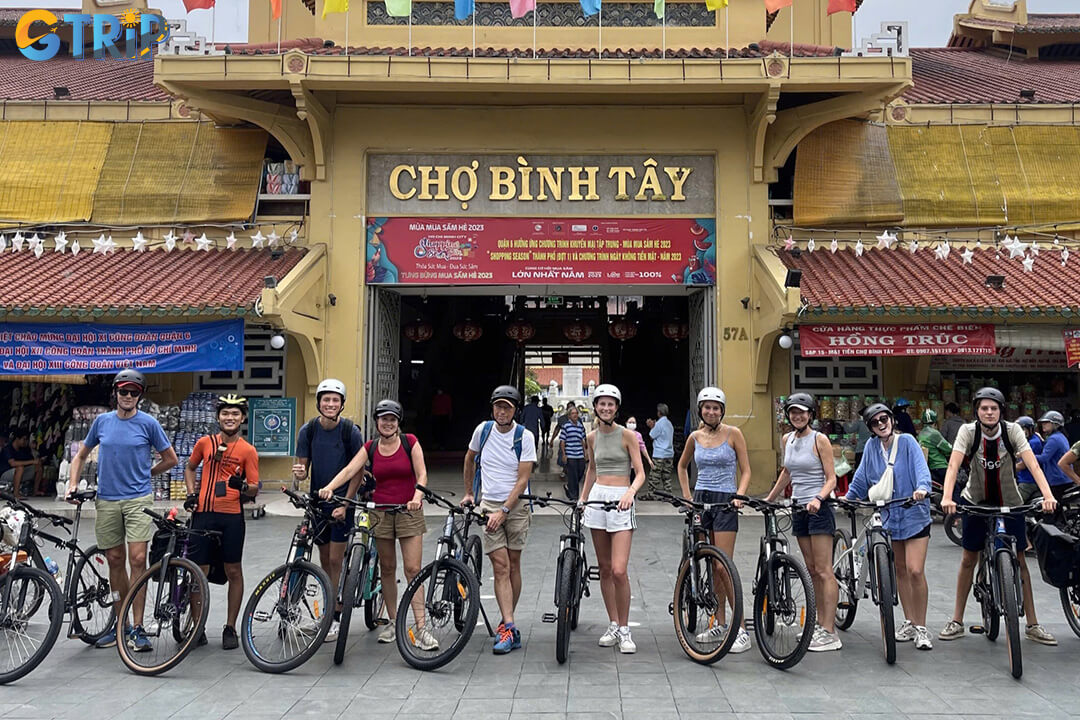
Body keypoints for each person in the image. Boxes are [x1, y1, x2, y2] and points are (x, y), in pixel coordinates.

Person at [66, 369, 178, 651]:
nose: (128, 397)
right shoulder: (102, 422)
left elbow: (171, 459)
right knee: (115, 560)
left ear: (140, 396)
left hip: (138, 499)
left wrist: (147, 473)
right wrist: (72, 484)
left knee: (137, 558)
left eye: (134, 393)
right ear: (115, 393)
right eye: (123, 391)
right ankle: (121, 623)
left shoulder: (149, 423)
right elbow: (80, 455)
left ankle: (138, 627)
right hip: (107, 499)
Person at [939, 387, 1058, 645]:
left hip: (1010, 502)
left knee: (1020, 560)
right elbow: (953, 465)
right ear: (977, 411)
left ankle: (1033, 624)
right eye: (984, 408)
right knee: (969, 559)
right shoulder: (968, 432)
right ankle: (957, 620)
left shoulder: (1012, 430)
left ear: (1001, 410)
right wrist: (947, 497)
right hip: (975, 501)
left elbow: (1033, 464)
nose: (989, 412)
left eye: (994, 408)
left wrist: (1048, 496)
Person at [319, 399, 432, 648]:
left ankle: (422, 628)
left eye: (392, 419)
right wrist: (329, 487)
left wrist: (417, 496)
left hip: (408, 511)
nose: (388, 423)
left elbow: (422, 473)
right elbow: (350, 470)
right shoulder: (370, 447)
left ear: (398, 422)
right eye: (383, 419)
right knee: (388, 569)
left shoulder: (409, 442)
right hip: (379, 512)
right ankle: (392, 622)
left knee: (413, 569)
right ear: (377, 422)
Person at [847, 404, 934, 650]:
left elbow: (922, 471)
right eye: (874, 422)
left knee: (915, 569)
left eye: (883, 419)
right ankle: (909, 621)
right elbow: (861, 478)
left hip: (914, 513)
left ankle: (922, 626)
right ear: (870, 428)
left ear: (892, 420)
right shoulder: (871, 448)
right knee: (900, 571)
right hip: (888, 516)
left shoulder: (907, 442)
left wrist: (922, 489)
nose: (880, 424)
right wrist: (849, 498)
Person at [676, 387, 752, 653]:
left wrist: (739, 495)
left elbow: (746, 470)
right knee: (708, 561)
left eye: (716, 408)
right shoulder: (695, 437)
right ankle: (719, 623)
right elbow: (682, 466)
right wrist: (687, 496)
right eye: (706, 407)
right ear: (700, 410)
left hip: (725, 500)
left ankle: (741, 628)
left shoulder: (734, 434)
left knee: (723, 566)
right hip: (701, 499)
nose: (711, 411)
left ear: (722, 411)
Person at [764, 392, 841, 652]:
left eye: (802, 412)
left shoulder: (820, 440)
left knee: (823, 570)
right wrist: (769, 498)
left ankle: (830, 631)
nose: (797, 416)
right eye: (793, 412)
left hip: (818, 508)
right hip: (798, 507)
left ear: (810, 415)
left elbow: (831, 478)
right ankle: (819, 624)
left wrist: (819, 498)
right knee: (810, 569)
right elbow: (787, 472)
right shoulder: (788, 439)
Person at [463, 385, 537, 655]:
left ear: (515, 409)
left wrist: (504, 510)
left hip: (515, 507)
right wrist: (470, 492)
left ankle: (508, 620)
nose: (502, 411)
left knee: (514, 564)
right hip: (489, 504)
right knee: (500, 565)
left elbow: (523, 479)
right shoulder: (482, 431)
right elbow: (470, 458)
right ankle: (509, 626)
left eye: (507, 407)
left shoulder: (524, 436)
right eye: (498, 406)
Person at [183, 394, 259, 650]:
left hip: (231, 517)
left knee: (233, 570)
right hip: (203, 514)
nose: (230, 418)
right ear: (218, 417)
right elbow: (190, 467)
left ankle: (230, 627)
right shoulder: (205, 443)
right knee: (198, 572)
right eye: (226, 413)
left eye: (235, 414)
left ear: (243, 418)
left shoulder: (248, 450)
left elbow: (254, 489)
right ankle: (197, 627)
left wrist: (244, 486)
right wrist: (191, 492)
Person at [292, 378, 364, 643]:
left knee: (336, 560)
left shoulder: (349, 432)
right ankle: (328, 610)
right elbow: (302, 471)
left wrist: (346, 504)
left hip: (341, 504)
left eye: (335, 400)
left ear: (341, 404)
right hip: (317, 503)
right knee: (324, 561)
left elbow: (357, 470)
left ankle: (335, 615)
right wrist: (298, 474)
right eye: (326, 399)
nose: (330, 404)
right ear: (319, 402)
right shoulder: (308, 430)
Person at [580, 383, 646, 654]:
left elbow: (640, 472)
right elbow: (591, 469)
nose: (606, 408)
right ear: (595, 406)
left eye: (611, 404)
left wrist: (630, 492)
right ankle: (613, 623)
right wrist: (582, 499)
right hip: (597, 497)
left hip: (621, 497)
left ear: (617, 408)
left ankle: (626, 628)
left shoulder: (627, 435)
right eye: (601, 403)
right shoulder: (592, 437)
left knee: (619, 569)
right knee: (604, 568)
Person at [1034, 411, 1074, 502]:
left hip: (1057, 480)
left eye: (1046, 422)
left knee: (1053, 509)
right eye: (1043, 423)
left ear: (1055, 424)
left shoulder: (1054, 439)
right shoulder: (1060, 436)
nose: (1043, 425)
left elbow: (1044, 458)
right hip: (1064, 478)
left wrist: (1027, 456)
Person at [0, 429, 43, 498]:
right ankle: (16, 493)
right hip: (5, 474)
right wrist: (32, 461)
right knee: (20, 467)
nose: (25, 442)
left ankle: (35, 491)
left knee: (38, 467)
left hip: (19, 473)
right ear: (17, 439)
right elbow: (13, 463)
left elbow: (30, 461)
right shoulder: (7, 449)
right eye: (24, 439)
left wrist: (37, 461)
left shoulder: (23, 450)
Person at [917, 410, 953, 490]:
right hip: (940, 465)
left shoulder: (921, 434)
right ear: (935, 421)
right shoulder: (934, 433)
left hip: (930, 467)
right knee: (955, 488)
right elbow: (948, 449)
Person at [645, 403, 674, 499]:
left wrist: (651, 426)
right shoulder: (669, 424)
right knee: (666, 476)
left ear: (659, 412)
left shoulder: (659, 424)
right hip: (669, 453)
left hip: (659, 453)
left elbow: (651, 436)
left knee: (655, 475)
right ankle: (668, 494)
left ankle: (651, 494)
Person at [559, 405, 588, 501]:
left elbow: (583, 440)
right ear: (569, 416)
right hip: (570, 455)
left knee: (580, 472)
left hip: (580, 454)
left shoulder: (580, 426)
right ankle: (574, 496)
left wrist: (585, 453)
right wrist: (564, 454)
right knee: (573, 475)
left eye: (576, 413)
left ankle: (569, 487)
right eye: (573, 414)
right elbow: (562, 441)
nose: (575, 415)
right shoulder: (566, 426)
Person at [1014, 416, 1043, 503]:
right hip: (1025, 479)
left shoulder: (1033, 443)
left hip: (1028, 482)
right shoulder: (1030, 440)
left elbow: (1023, 465)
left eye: (1022, 429)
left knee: (1014, 504)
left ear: (1030, 429)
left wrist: (1005, 469)